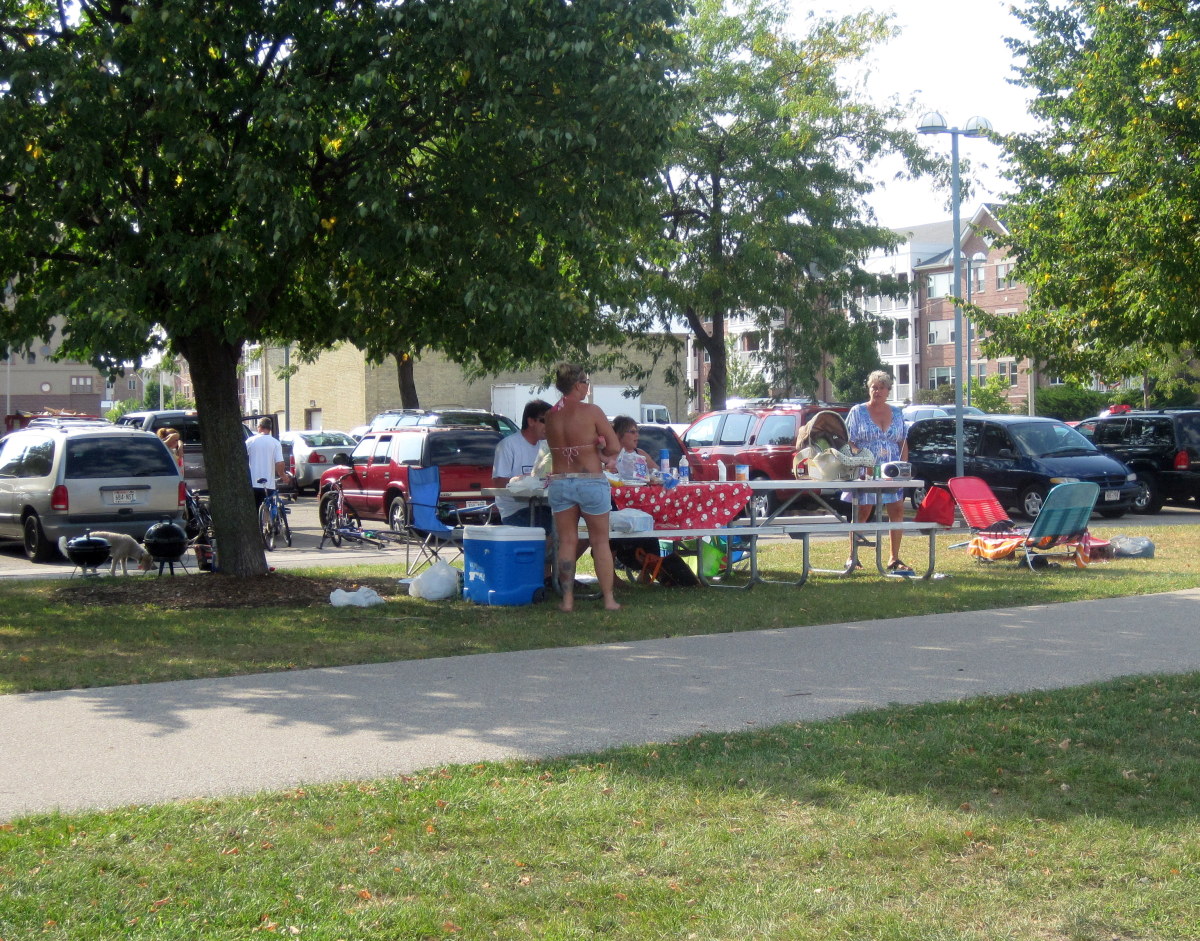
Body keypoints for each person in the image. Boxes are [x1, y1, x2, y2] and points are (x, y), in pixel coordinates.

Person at [544, 363, 621, 612]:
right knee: (600, 542)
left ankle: (567, 601)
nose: (587, 386)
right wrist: (599, 450)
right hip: (590, 481)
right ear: (578, 385)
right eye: (586, 382)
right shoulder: (592, 411)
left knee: (566, 541)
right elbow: (614, 447)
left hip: (560, 481)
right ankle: (608, 599)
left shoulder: (551, 415)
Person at [842, 370, 911, 575]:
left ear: (888, 390)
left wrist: (903, 467)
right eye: (873, 386)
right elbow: (848, 440)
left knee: (897, 509)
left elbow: (902, 441)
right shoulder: (857, 411)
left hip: (892, 468)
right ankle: (853, 556)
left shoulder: (897, 413)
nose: (877, 390)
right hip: (867, 468)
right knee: (863, 510)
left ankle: (894, 557)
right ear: (869, 389)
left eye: (881, 387)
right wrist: (862, 460)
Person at [246, 417, 287, 510]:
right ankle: (269, 522)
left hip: (253, 482)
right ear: (270, 428)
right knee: (269, 506)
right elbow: (280, 463)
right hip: (269, 483)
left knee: (255, 508)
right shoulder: (275, 443)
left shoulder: (250, 441)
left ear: (259, 427)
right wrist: (283, 475)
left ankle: (258, 522)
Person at [611, 415, 655, 481]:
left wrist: (651, 475)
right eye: (632, 432)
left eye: (637, 431)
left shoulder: (640, 454)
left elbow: (657, 472)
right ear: (618, 434)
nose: (637, 435)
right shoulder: (608, 454)